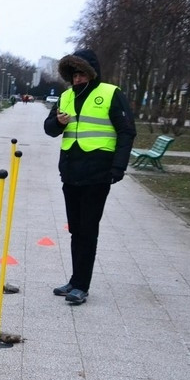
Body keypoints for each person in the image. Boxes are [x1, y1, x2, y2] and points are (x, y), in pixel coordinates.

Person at [43, 49, 136, 305]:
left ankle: (82, 286)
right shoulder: (65, 97)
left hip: (98, 174)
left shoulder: (110, 94)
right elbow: (49, 129)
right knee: (75, 230)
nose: (77, 79)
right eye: (74, 74)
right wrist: (59, 122)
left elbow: (127, 131)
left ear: (92, 73)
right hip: (71, 173)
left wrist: (118, 168)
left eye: (82, 73)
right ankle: (74, 280)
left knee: (88, 230)